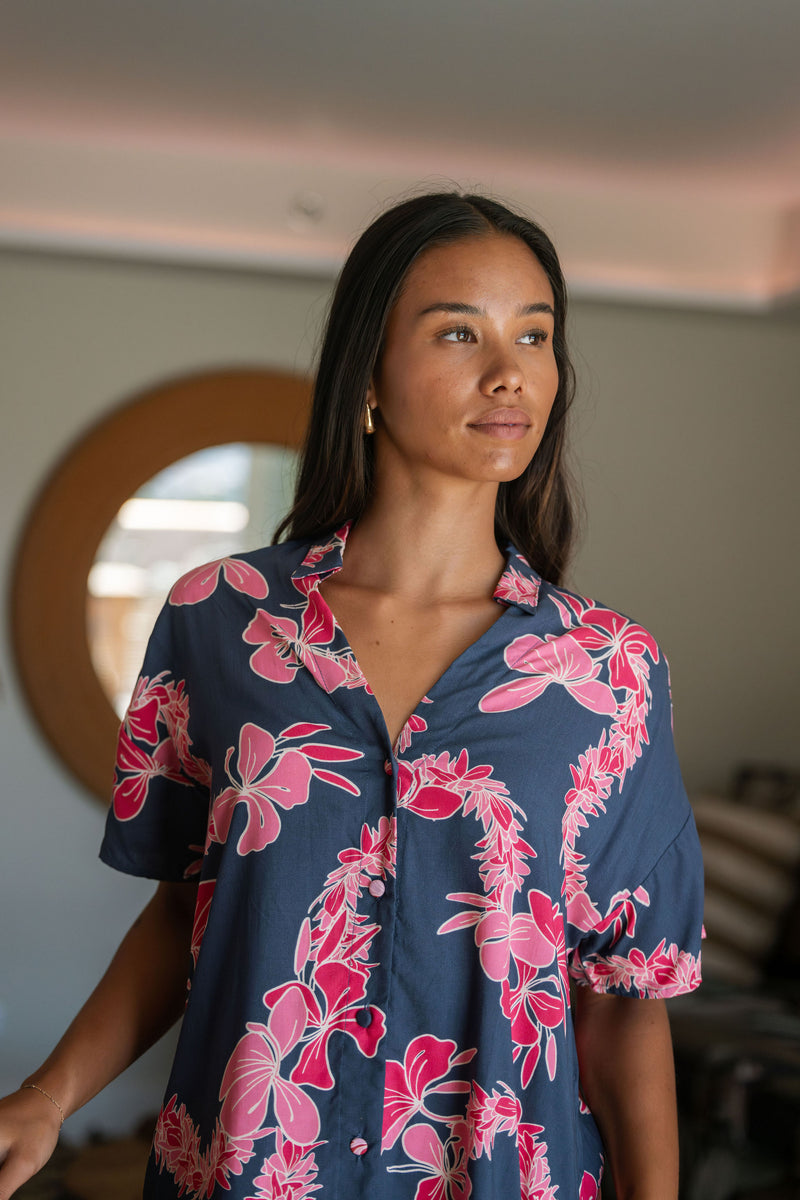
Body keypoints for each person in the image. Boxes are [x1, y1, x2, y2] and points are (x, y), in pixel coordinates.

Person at [0, 192, 704, 1200]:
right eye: (458, 331)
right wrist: (45, 1096)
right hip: (250, 1171)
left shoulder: (608, 672)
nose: (509, 370)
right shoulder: (221, 619)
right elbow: (182, 915)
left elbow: (621, 998)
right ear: (366, 374)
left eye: (535, 335)